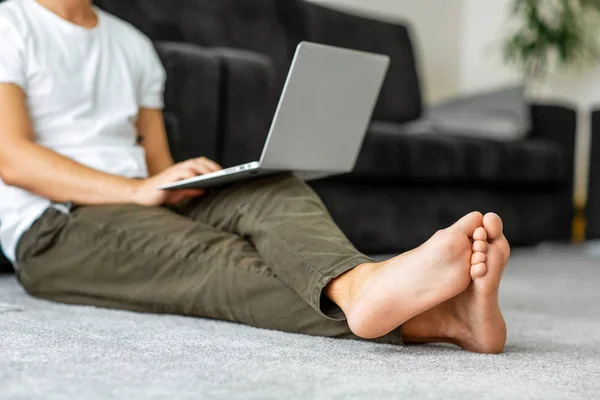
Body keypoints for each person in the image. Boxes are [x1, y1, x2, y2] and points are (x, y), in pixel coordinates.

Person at [0, 0, 511, 353]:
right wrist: (136, 191)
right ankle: (428, 313)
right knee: (221, 260)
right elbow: (12, 158)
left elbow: (156, 163)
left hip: (139, 199)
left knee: (271, 185)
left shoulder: (132, 44)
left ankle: (369, 289)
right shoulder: (12, 23)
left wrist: (177, 181)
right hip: (56, 227)